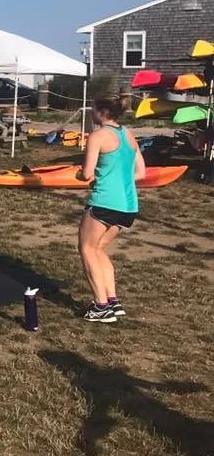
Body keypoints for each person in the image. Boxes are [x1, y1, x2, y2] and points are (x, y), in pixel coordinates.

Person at [76, 95, 146, 323]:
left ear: (101, 112)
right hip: (128, 205)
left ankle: (101, 306)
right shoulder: (128, 134)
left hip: (105, 202)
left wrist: (81, 175)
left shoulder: (97, 136)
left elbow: (86, 173)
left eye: (93, 108)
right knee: (99, 249)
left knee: (87, 249)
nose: (91, 113)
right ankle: (112, 301)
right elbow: (140, 173)